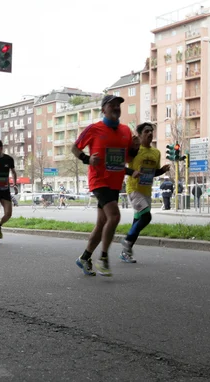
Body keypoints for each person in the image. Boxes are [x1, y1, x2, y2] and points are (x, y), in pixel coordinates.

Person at [71, 94, 139, 277]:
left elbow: (128, 158)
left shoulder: (126, 131)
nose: (116, 108)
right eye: (112, 105)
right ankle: (103, 257)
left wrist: (135, 148)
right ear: (103, 109)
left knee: (102, 223)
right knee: (114, 216)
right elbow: (75, 148)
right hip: (99, 181)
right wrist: (87, 159)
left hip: (115, 182)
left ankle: (85, 257)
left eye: (118, 105)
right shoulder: (94, 129)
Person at [120, 122, 170, 263]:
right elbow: (121, 166)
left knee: (138, 221)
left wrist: (162, 170)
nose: (149, 134)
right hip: (134, 189)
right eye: (146, 131)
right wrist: (132, 172)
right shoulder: (135, 150)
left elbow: (154, 172)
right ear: (140, 135)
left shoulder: (156, 152)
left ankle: (125, 252)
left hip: (146, 190)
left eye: (151, 131)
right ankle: (127, 239)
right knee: (146, 217)